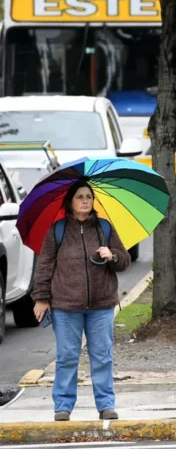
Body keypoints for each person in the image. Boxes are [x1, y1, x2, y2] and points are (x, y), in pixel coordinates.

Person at [31, 180, 131, 422]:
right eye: (80, 197)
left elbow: (125, 261)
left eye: (88, 196)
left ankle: (106, 405)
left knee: (102, 356)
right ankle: (63, 406)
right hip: (66, 306)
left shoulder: (105, 228)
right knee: (66, 356)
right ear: (70, 202)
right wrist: (41, 298)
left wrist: (112, 255)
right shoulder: (58, 230)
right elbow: (44, 266)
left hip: (101, 305)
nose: (85, 200)